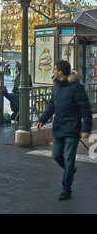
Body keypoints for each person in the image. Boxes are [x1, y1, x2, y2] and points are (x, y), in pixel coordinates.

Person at [37, 60, 92, 201]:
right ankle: (71, 171)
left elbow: (85, 109)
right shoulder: (57, 87)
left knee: (69, 160)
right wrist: (42, 119)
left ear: (60, 71)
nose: (53, 71)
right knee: (56, 156)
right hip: (59, 127)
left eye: (55, 69)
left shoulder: (76, 87)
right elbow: (51, 106)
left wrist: (86, 128)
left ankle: (66, 188)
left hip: (72, 129)